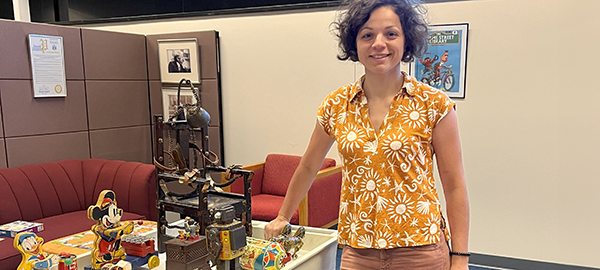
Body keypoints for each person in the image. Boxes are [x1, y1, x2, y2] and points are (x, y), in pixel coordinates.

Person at [264, 0, 470, 269]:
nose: (379, 43)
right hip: (358, 250)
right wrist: (282, 216)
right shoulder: (336, 104)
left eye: (391, 33)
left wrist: (461, 258)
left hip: (420, 248)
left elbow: (454, 184)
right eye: (367, 35)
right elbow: (308, 165)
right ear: (355, 44)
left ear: (406, 41)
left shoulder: (434, 104)